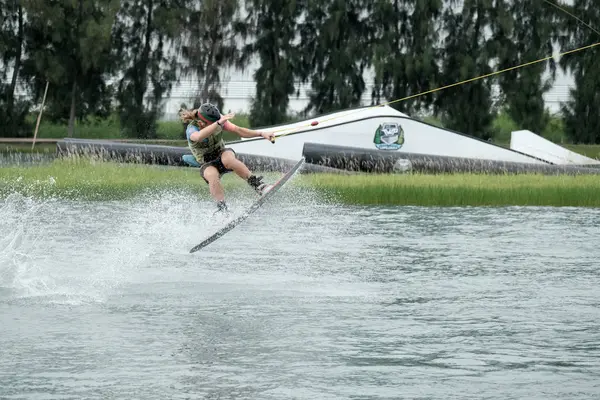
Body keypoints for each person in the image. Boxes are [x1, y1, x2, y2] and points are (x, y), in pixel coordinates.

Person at [179, 103, 276, 214]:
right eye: (214, 124)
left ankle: (260, 187)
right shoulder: (192, 129)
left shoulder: (220, 120)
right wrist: (218, 123)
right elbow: (198, 136)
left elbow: (239, 130)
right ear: (201, 123)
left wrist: (262, 133)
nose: (217, 125)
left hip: (222, 154)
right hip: (207, 163)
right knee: (212, 175)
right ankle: (222, 209)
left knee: (228, 159)